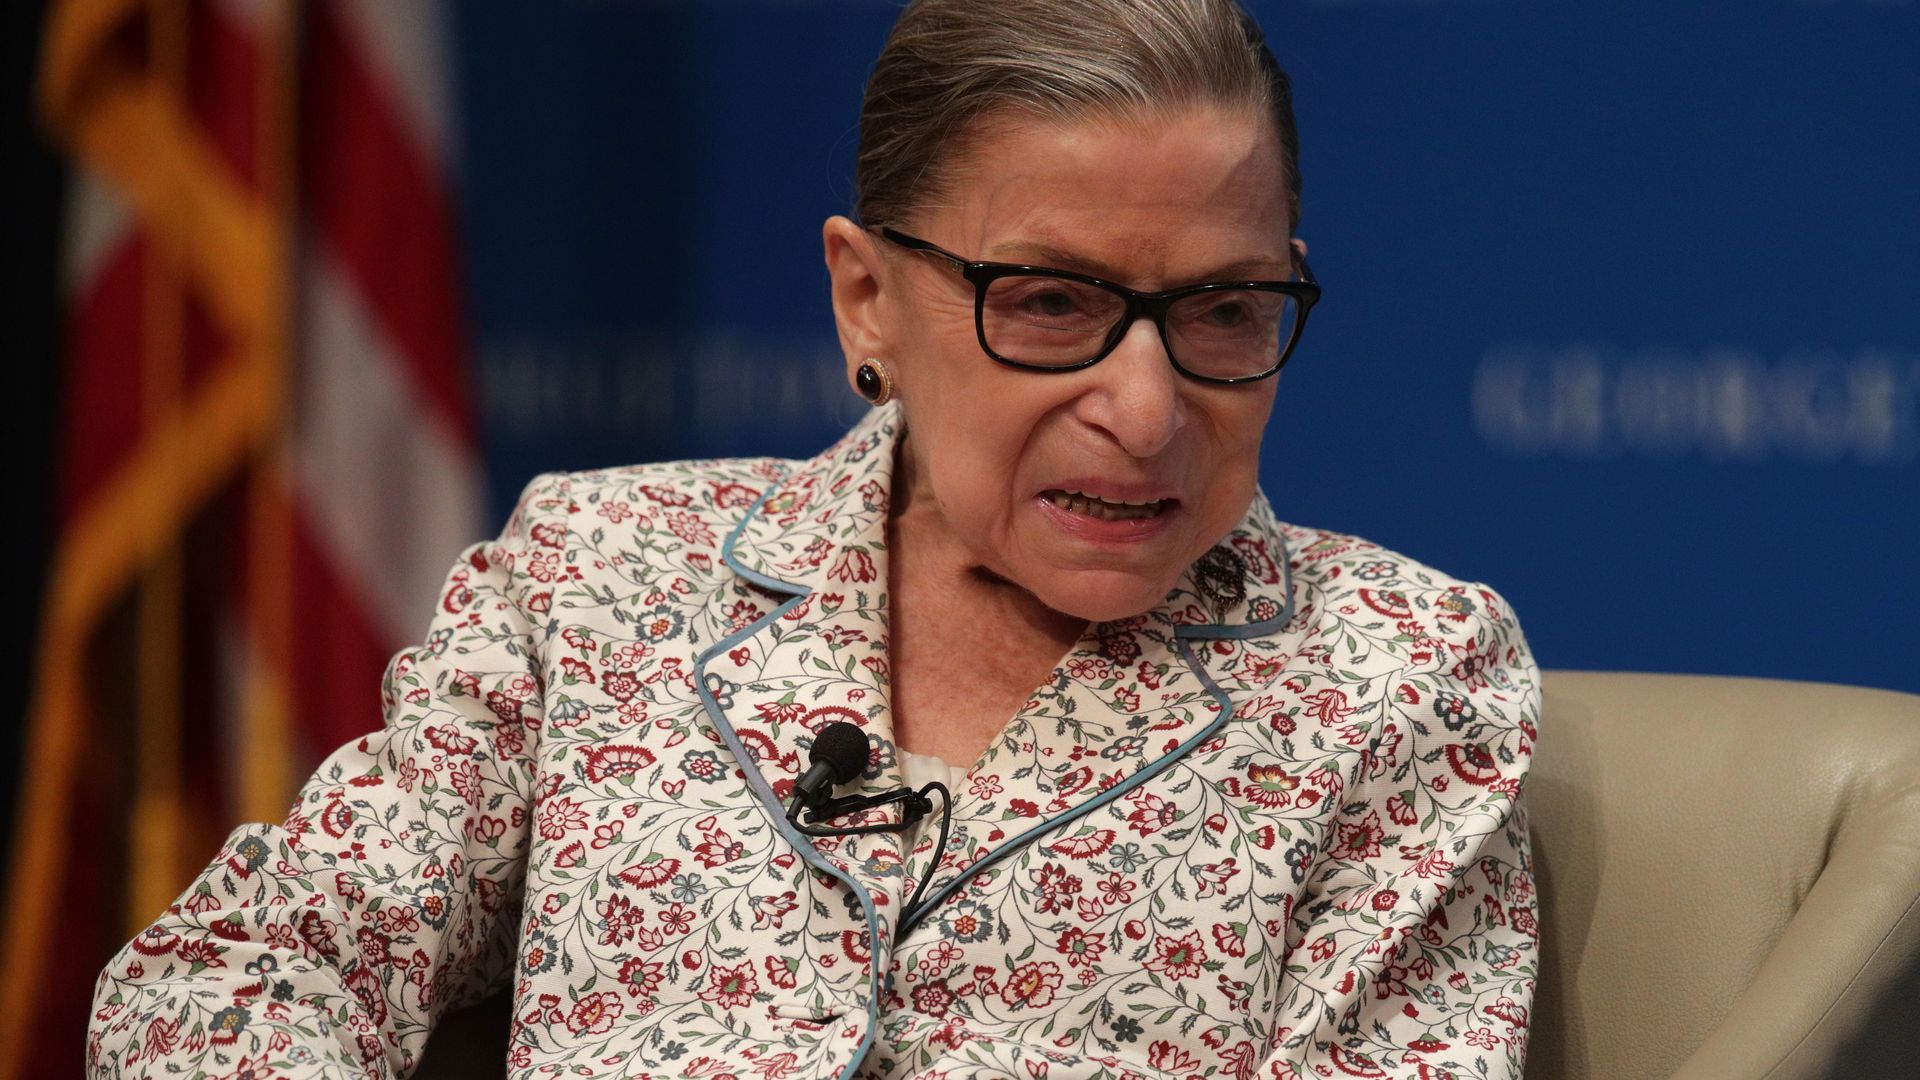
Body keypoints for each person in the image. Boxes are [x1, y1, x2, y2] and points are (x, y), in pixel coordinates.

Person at [88, 1, 1540, 1077]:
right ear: (867, 301)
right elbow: (233, 975)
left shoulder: (1403, 681)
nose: (1148, 410)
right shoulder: (601, 575)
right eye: (1048, 303)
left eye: (1225, 310)